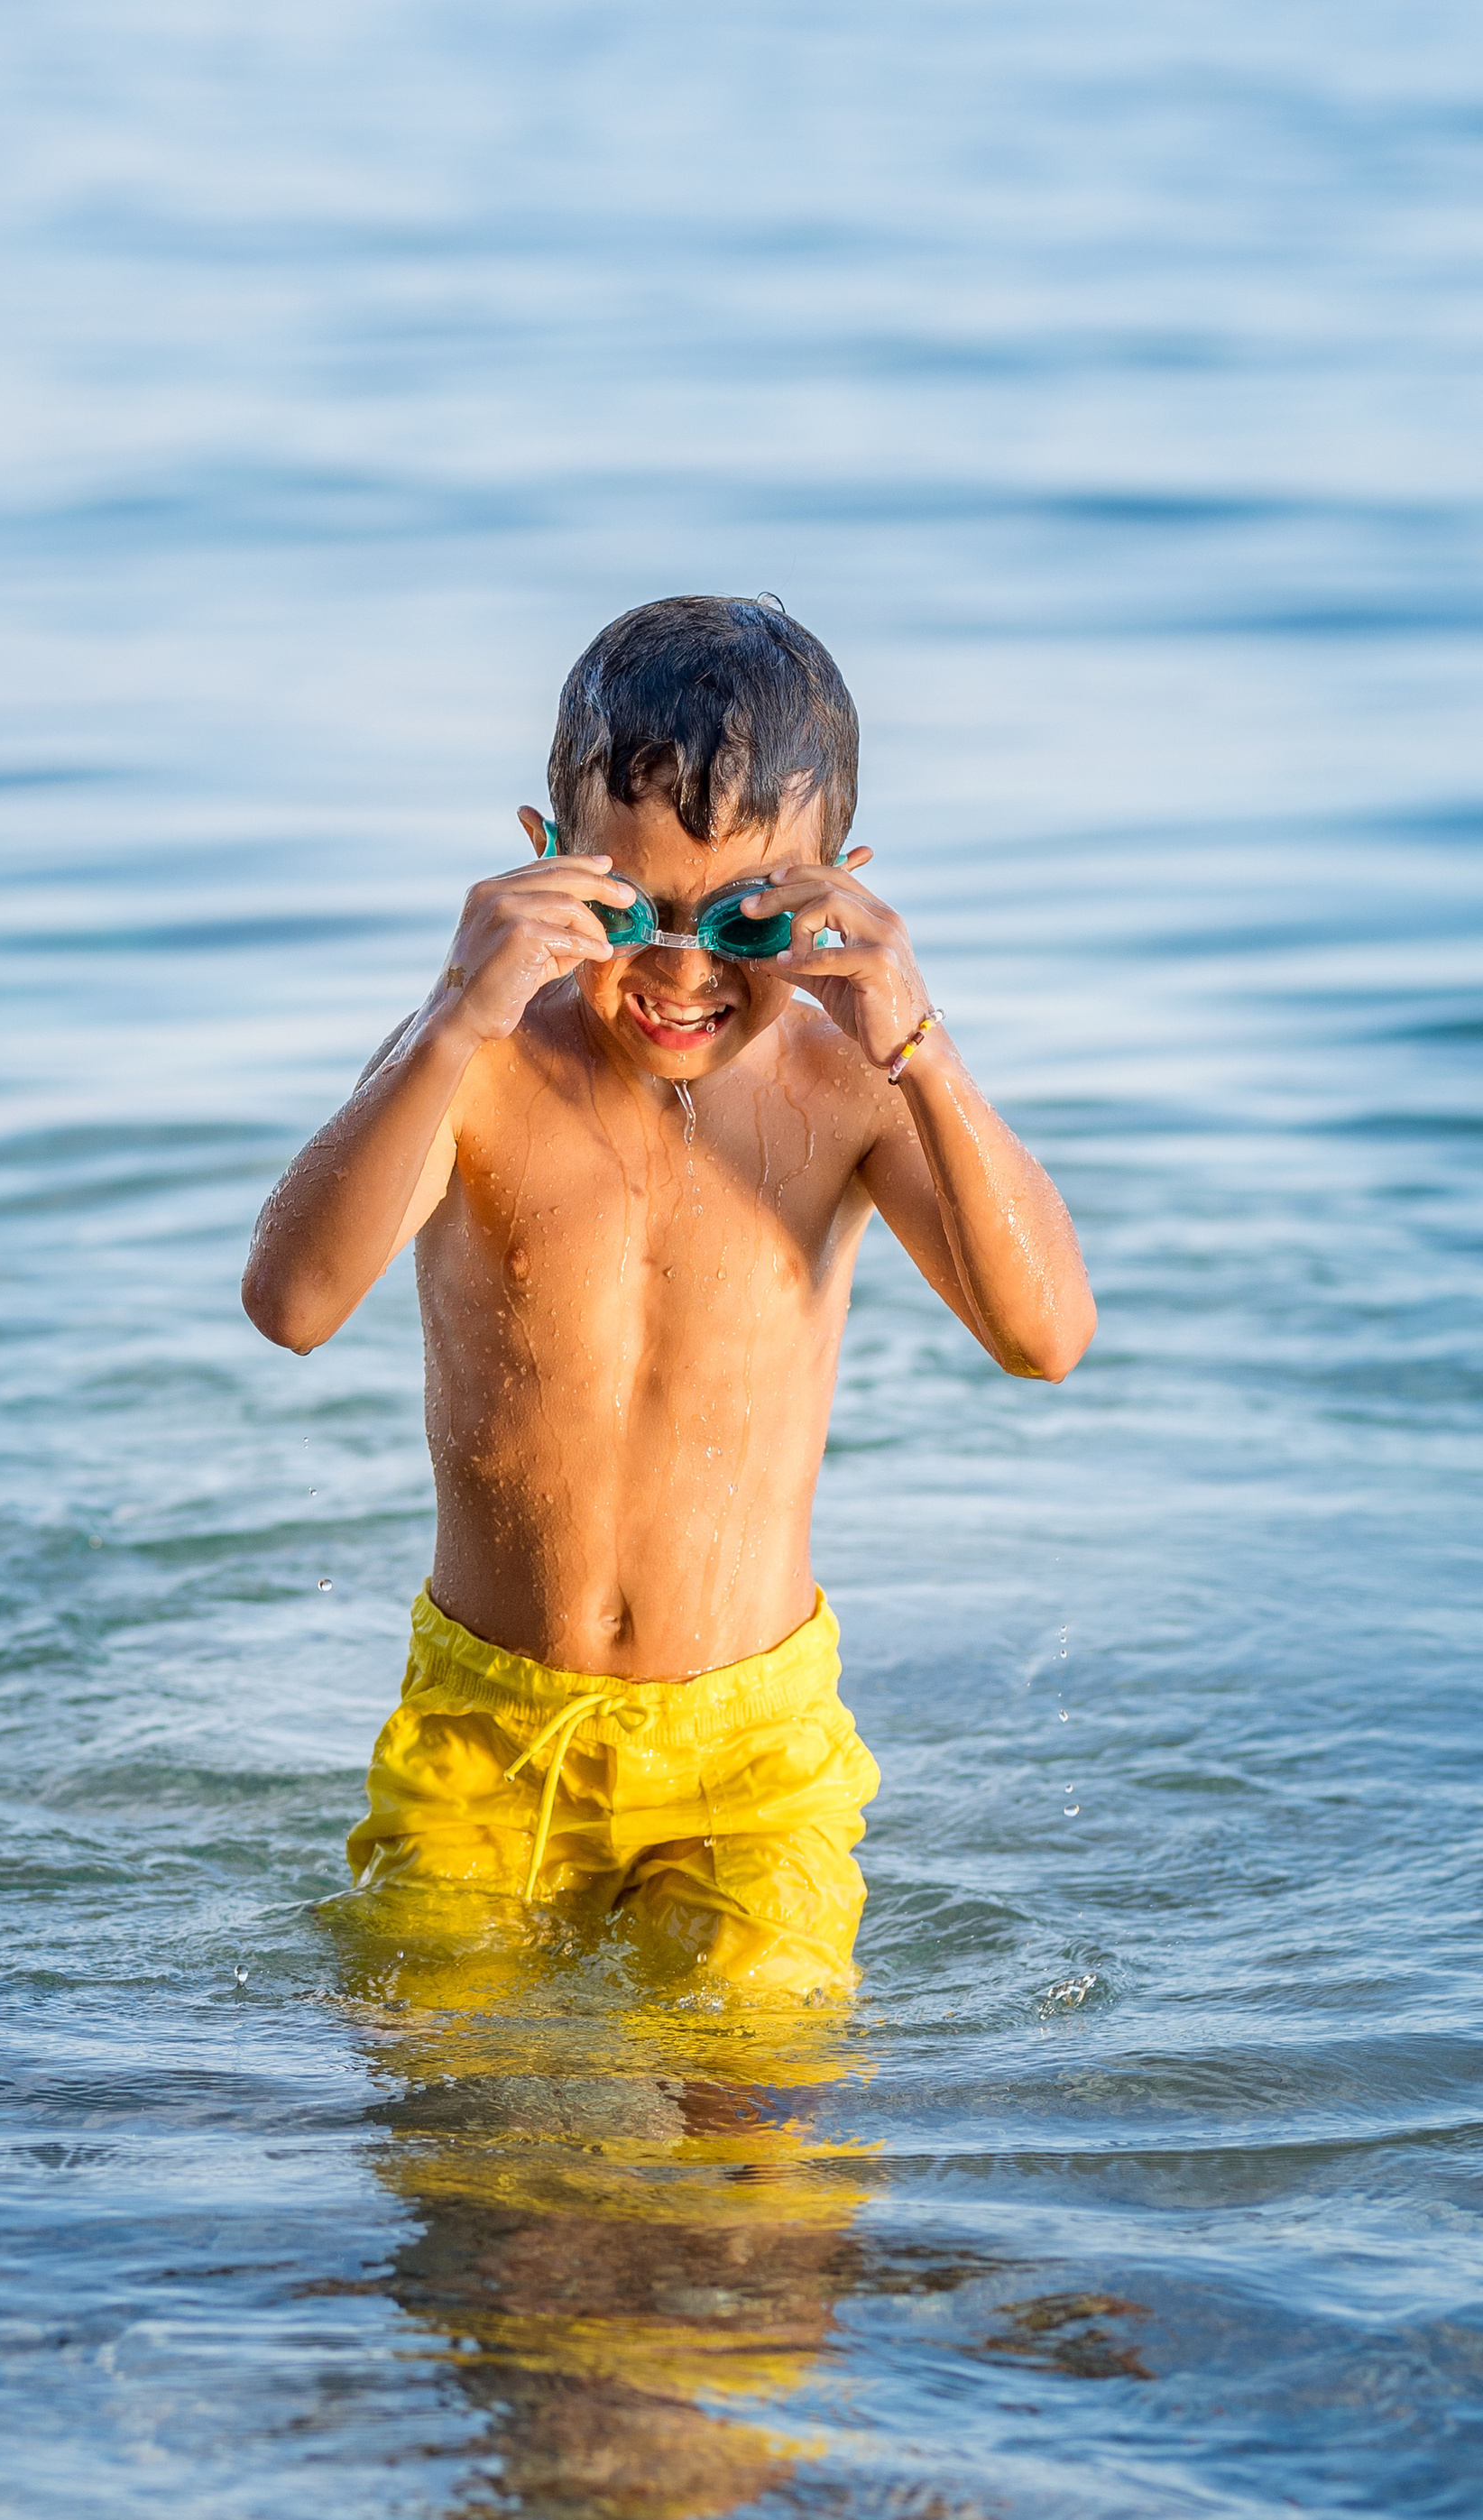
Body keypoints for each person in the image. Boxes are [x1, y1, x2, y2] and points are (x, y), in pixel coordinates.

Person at [242, 595, 1095, 1994]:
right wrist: (457, 1011)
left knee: (759, 2164)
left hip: (752, 1756)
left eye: (746, 922)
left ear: (840, 896)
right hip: (486, 1734)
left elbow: (1046, 1337)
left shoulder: (851, 1095)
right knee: (457, 2148)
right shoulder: (477, 1069)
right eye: (627, 910)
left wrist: (925, 1051)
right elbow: (292, 1303)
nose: (684, 971)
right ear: (542, 864)